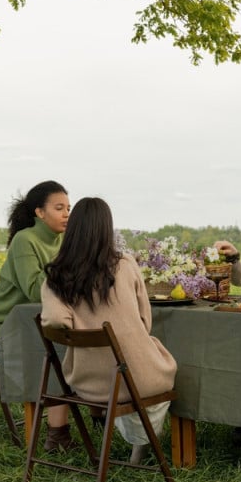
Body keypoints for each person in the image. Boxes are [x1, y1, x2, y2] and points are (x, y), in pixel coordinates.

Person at [40, 197, 177, 463]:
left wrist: (79, 327)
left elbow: (55, 320)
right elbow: (144, 320)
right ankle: (141, 445)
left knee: (126, 373)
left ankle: (129, 437)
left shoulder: (56, 274)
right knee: (158, 370)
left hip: (86, 382)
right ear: (107, 229)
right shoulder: (124, 264)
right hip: (135, 379)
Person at [0, 180, 71, 449]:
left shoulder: (63, 240)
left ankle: (97, 414)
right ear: (39, 212)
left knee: (78, 345)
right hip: (3, 327)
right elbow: (34, 291)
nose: (67, 213)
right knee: (57, 355)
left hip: (39, 324)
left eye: (69, 207)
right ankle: (58, 435)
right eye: (59, 207)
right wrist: (70, 268)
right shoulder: (25, 240)